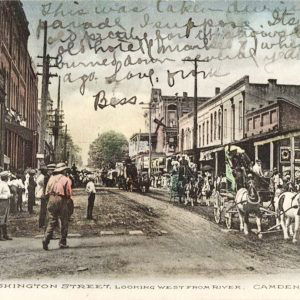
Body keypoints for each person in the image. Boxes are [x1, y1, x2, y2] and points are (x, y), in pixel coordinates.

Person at [42, 163, 73, 250]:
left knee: (52, 220)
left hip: (51, 199)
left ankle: (46, 239)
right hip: (61, 199)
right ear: (63, 170)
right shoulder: (66, 179)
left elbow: (46, 191)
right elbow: (68, 193)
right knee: (64, 221)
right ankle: (62, 242)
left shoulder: (51, 178)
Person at [0, 171, 12, 241]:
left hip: (6, 202)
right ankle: (0, 235)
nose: (8, 178)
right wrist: (7, 196)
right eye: (8, 177)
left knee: (5, 218)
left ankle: (5, 234)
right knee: (1, 218)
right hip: (2, 202)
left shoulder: (5, 184)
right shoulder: (1, 184)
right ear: (5, 177)